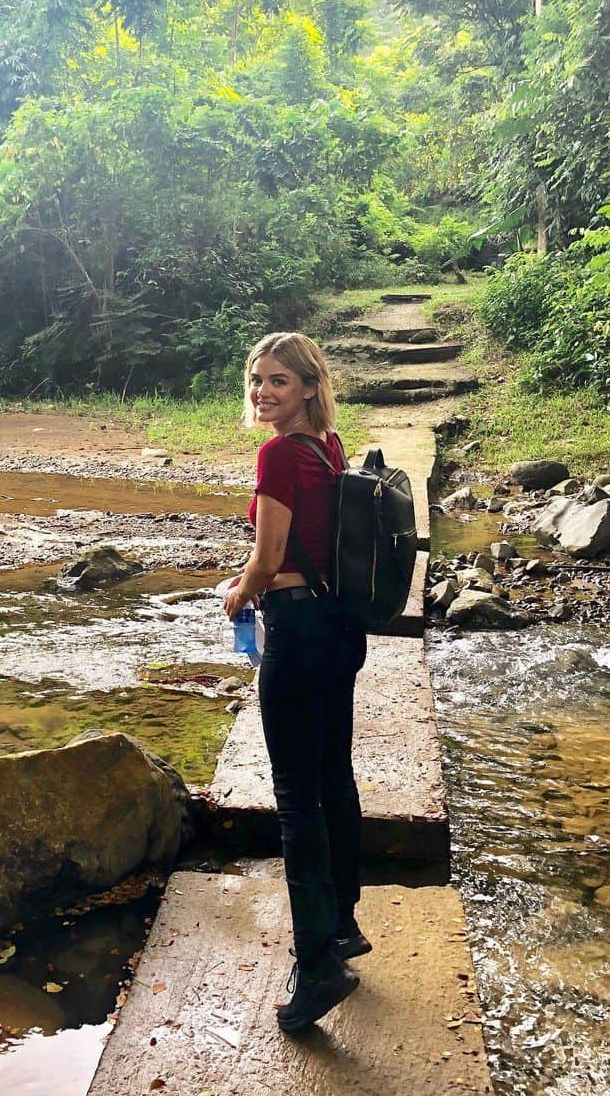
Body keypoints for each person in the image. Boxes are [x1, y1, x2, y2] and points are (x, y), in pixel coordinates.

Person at [223, 331, 370, 1034]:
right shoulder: (328, 446)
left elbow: (270, 554)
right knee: (334, 780)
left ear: (309, 386)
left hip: (296, 629)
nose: (263, 393)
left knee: (295, 802)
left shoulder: (280, 453)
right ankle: (342, 926)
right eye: (257, 381)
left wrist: (237, 591)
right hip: (339, 632)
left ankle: (317, 968)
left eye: (278, 381)